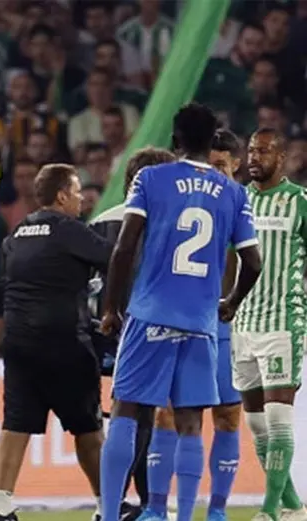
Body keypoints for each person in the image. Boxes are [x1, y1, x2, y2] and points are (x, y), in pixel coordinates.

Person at [98, 103, 263, 521]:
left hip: (150, 314)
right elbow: (254, 263)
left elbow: (124, 247)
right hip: (200, 322)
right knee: (192, 422)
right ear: (212, 145)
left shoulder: (151, 178)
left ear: (175, 141)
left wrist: (112, 308)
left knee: (126, 411)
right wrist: (230, 303)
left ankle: (110, 513)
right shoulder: (235, 193)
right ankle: (187, 516)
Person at [136, 129, 247, 521]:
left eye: (220, 166)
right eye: (209, 165)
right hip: (184, 317)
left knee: (228, 416)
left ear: (237, 164)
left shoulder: (241, 206)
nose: (212, 174)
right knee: (168, 414)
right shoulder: (184, 205)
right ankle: (156, 508)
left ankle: (216, 509)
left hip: (231, 326)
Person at [0, 164, 112, 521]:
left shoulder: (15, 235)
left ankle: (1, 505)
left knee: (15, 426)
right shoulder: (70, 231)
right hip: (65, 346)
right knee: (88, 429)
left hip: (19, 346)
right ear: (61, 196)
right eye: (76, 193)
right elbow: (115, 258)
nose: (81, 199)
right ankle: (107, 506)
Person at [89, 146, 177, 521]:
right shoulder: (163, 223)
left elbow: (87, 287)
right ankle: (130, 505)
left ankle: (127, 505)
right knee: (146, 418)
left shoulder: (99, 223)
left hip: (104, 338)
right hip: (147, 333)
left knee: (135, 419)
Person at [232, 128, 307, 521]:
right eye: (250, 150)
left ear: (282, 158)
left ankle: (269, 510)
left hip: (283, 320)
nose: (253, 157)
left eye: (263, 151)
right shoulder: (239, 199)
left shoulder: (301, 203)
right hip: (243, 322)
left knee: (279, 417)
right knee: (257, 424)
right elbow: (230, 256)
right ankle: (295, 506)